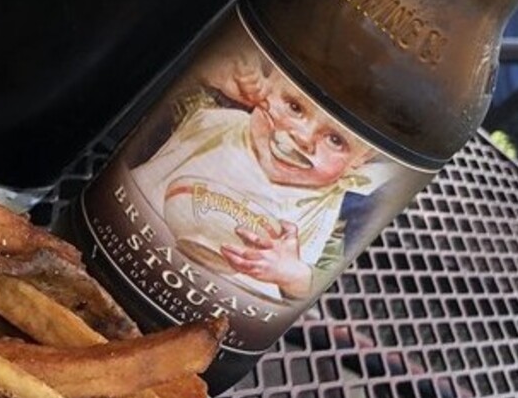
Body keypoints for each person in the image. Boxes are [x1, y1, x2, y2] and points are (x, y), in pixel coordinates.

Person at [129, 20, 396, 306]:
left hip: (218, 310)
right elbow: (147, 129)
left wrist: (293, 275)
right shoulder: (211, 119)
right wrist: (209, 74)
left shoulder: (332, 211)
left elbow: (321, 274)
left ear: (360, 160)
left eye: (335, 140)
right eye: (294, 106)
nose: (303, 137)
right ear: (267, 86)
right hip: (128, 245)